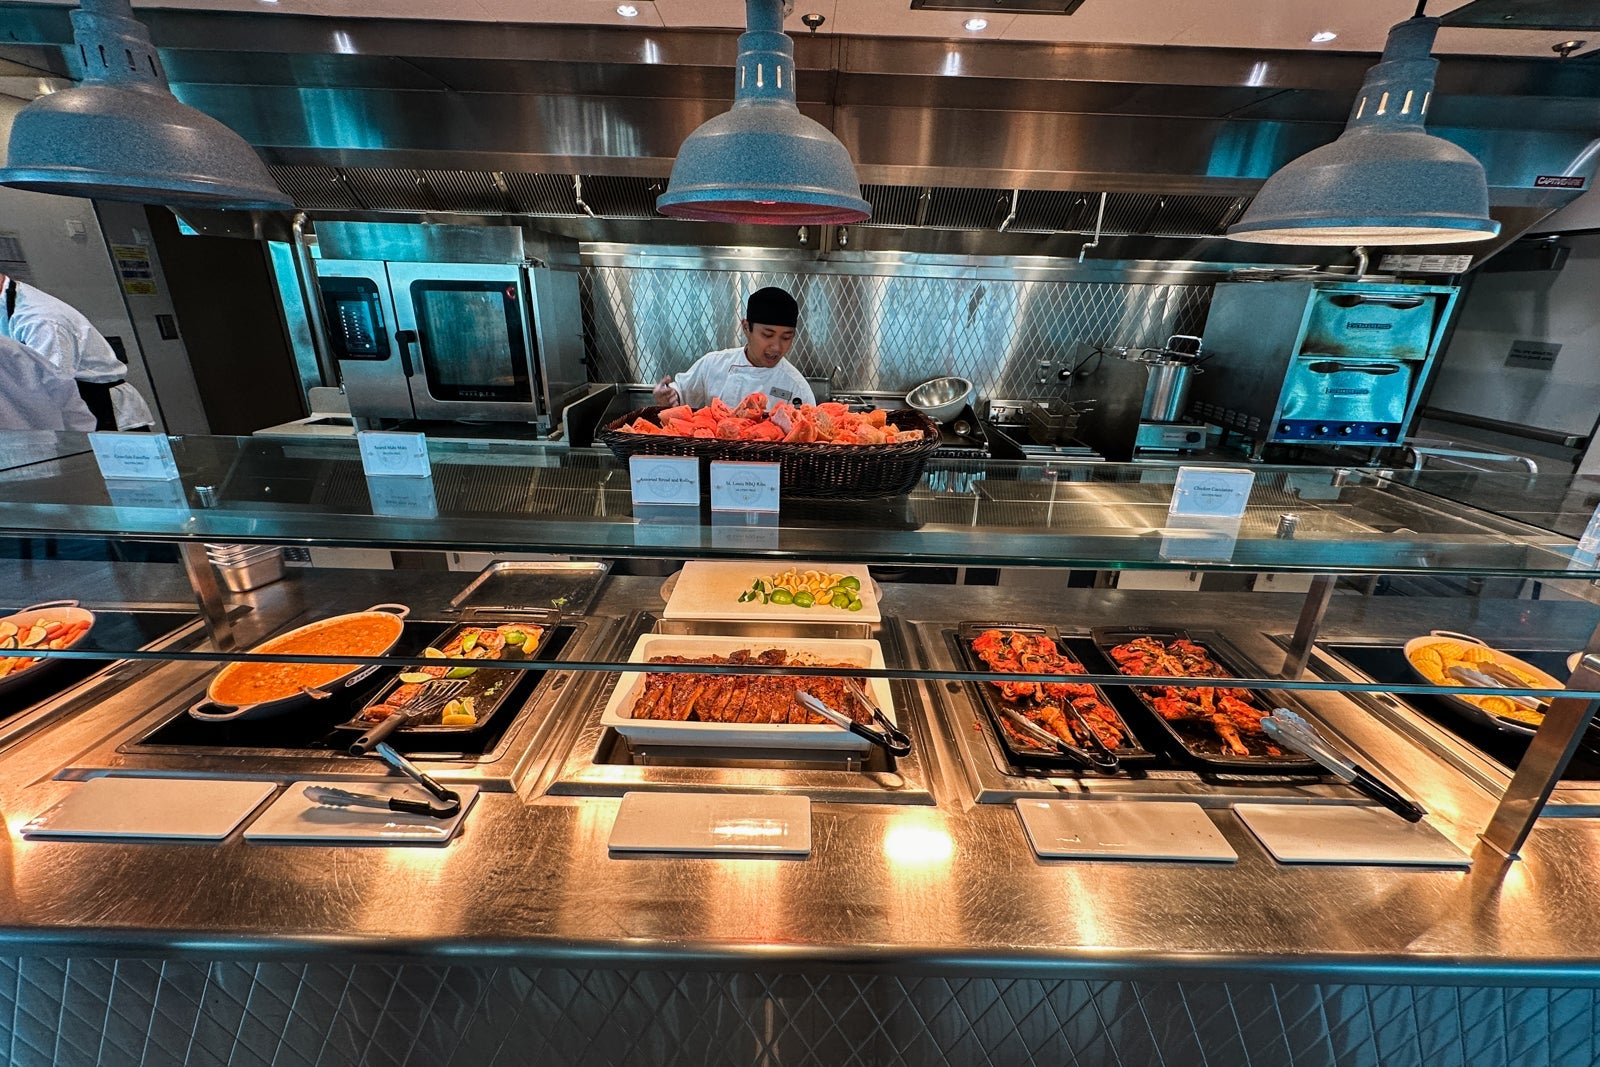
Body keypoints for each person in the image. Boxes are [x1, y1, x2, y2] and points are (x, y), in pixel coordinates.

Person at [0, 273, 155, 431]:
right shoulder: (10, 302)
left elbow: (53, 388)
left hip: (102, 409)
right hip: (73, 404)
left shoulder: (42, 322)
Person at [654, 286, 816, 410]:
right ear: (746, 328)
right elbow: (681, 392)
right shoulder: (713, 365)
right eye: (767, 335)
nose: (776, 347)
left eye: (786, 337)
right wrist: (668, 397)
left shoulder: (797, 388)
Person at [0, 335, 97, 431]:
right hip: (53, 437)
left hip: (51, 438)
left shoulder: (43, 324)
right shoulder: (12, 349)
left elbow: (62, 385)